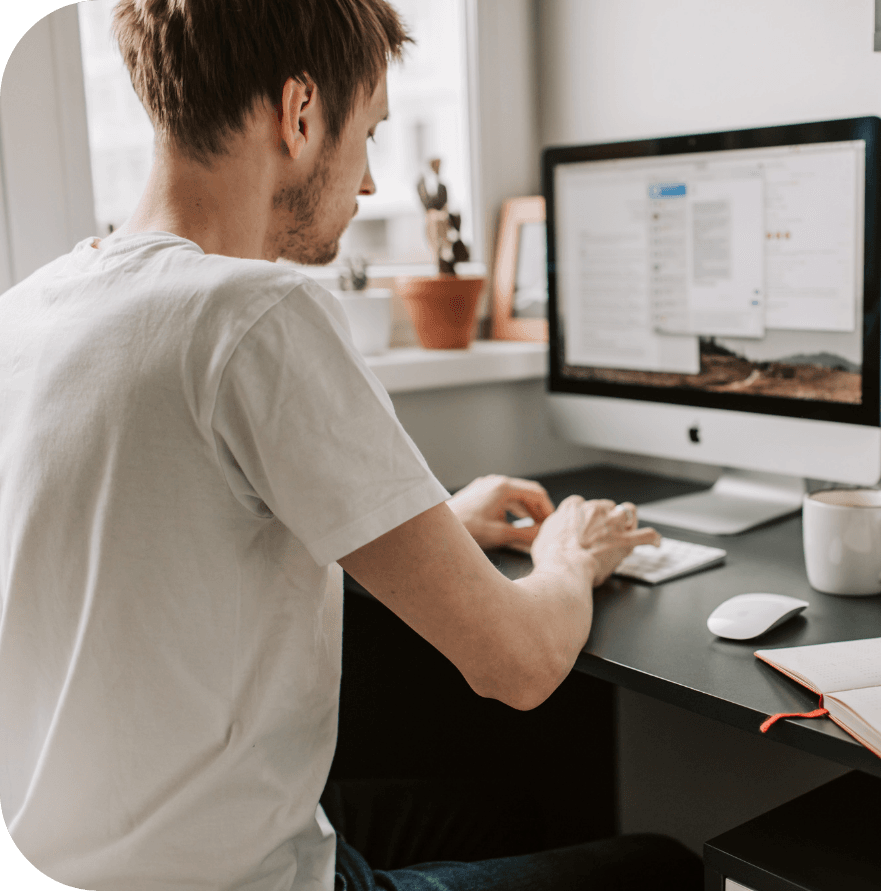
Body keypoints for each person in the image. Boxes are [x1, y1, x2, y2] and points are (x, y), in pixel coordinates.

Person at [0, 1, 702, 889]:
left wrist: (437, 522)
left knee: (512, 810)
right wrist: (567, 558)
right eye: (367, 133)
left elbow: (166, 545)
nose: (369, 185)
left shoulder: (26, 312)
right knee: (661, 866)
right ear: (300, 115)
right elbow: (519, 666)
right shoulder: (255, 314)